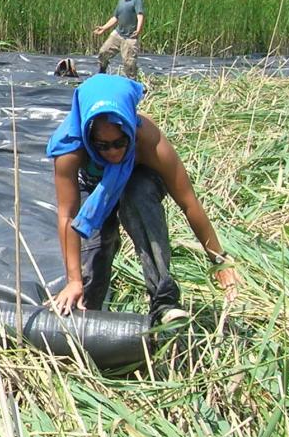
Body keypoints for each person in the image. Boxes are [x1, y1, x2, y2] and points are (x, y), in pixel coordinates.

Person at [45, 74, 238, 326]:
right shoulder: (70, 149)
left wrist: (219, 260)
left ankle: (164, 301)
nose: (113, 152)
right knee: (94, 255)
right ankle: (87, 316)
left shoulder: (148, 141)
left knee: (138, 195)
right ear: (88, 136)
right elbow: (69, 216)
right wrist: (74, 280)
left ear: (130, 130)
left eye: (119, 142)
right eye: (102, 145)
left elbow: (189, 202)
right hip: (94, 188)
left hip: (138, 180)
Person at [94, 0, 144, 79]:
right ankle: (102, 73)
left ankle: (132, 82)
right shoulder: (120, 1)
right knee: (103, 52)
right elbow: (115, 17)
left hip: (130, 37)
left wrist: (138, 30)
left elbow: (140, 15)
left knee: (129, 63)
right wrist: (104, 28)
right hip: (118, 34)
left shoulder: (136, 0)